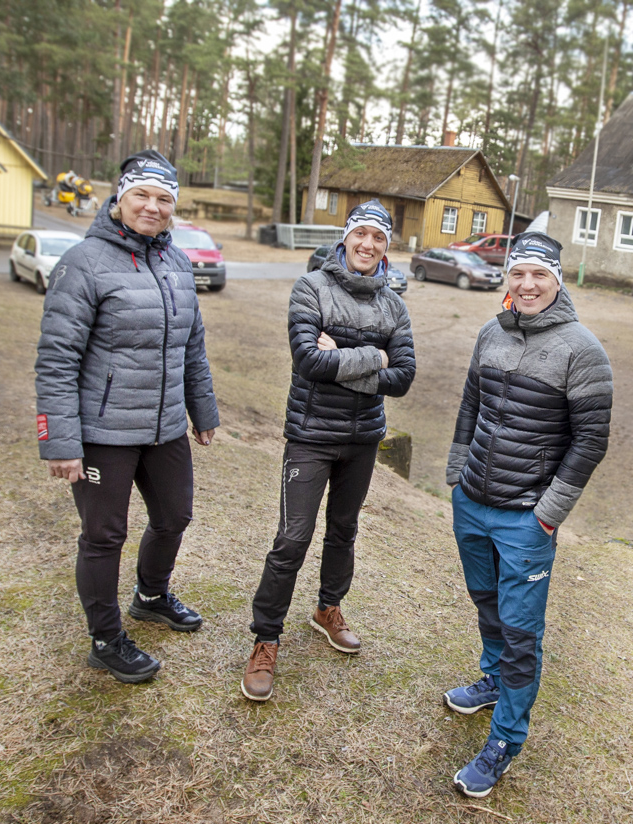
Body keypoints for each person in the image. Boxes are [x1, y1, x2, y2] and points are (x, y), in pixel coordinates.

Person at [35, 149, 219, 684]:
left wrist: (201, 410)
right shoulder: (83, 262)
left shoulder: (177, 263)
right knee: (103, 536)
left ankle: (151, 595)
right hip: (103, 433)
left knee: (174, 517)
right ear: (118, 197)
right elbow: (57, 358)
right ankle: (106, 637)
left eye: (165, 199)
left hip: (163, 429)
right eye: (141, 194)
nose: (152, 207)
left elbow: (193, 346)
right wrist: (61, 441)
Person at [442, 232, 612, 797]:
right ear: (507, 278)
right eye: (518, 273)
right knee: (486, 602)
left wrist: (547, 514)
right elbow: (471, 405)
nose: (527, 284)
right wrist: (455, 477)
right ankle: (492, 680)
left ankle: (505, 740)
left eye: (539, 274)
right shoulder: (491, 331)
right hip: (473, 502)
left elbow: (590, 442)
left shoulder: (582, 349)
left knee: (521, 633)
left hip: (525, 519)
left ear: (558, 280)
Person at [241, 200, 416, 703]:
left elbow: (402, 377)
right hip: (311, 434)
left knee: (344, 530)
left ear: (386, 247)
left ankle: (327, 608)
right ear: (346, 238)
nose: (368, 244)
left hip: (363, 439)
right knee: (293, 538)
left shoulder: (394, 305)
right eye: (360, 234)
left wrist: (338, 353)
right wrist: (371, 357)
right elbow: (308, 362)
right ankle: (265, 638)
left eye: (378, 238)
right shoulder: (311, 287)